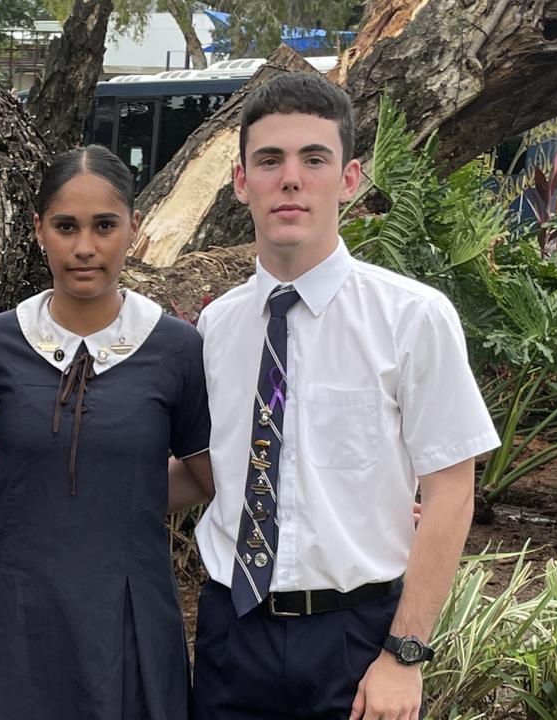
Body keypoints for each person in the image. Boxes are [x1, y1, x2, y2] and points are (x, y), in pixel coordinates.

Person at [190, 72, 500, 720]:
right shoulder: (214, 327)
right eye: (270, 160)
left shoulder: (413, 318)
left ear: (350, 179)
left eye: (315, 158)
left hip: (355, 639)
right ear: (241, 181)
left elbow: (451, 490)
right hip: (230, 634)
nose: (292, 179)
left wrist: (404, 654)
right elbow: (209, 472)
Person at [0, 144, 214, 720]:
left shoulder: (176, 348)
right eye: (66, 226)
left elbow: (204, 477)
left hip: (127, 605)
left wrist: (119, 494)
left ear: (134, 229)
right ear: (39, 229)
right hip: (12, 603)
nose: (85, 247)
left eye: (105, 225)